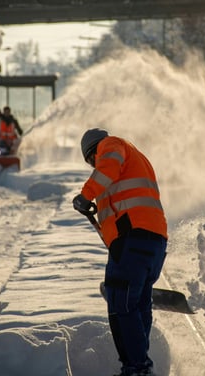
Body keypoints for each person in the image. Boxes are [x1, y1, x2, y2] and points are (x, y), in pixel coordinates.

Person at [72, 128, 168, 376]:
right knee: (137, 305)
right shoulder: (137, 158)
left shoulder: (111, 145)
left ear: (93, 152)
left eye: (91, 161)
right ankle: (138, 366)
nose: (94, 165)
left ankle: (137, 368)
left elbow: (107, 169)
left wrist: (85, 196)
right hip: (153, 242)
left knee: (121, 304)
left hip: (132, 240)